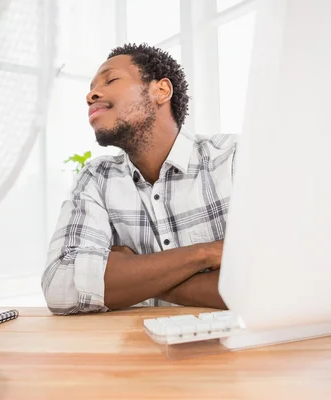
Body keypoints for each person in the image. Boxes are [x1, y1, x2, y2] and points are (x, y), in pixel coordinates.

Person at [42, 43, 237, 315]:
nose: (91, 95)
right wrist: (204, 254)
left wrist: (138, 274)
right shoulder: (96, 179)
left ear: (161, 91)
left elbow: (275, 280)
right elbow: (61, 286)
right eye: (91, 87)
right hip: (138, 353)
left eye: (111, 80)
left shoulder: (234, 159)